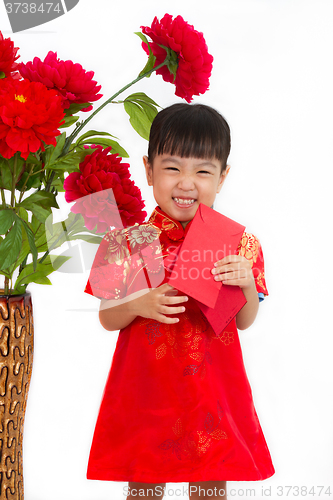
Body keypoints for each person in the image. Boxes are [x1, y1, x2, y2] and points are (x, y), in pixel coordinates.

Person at [84, 103, 275, 499]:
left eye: (202, 171)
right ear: (149, 169)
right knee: (144, 480)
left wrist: (243, 285)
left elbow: (245, 321)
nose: (186, 182)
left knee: (209, 479)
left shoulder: (238, 243)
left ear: (222, 177)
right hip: (145, 388)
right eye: (172, 167)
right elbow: (107, 319)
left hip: (211, 388)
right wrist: (138, 303)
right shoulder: (127, 241)